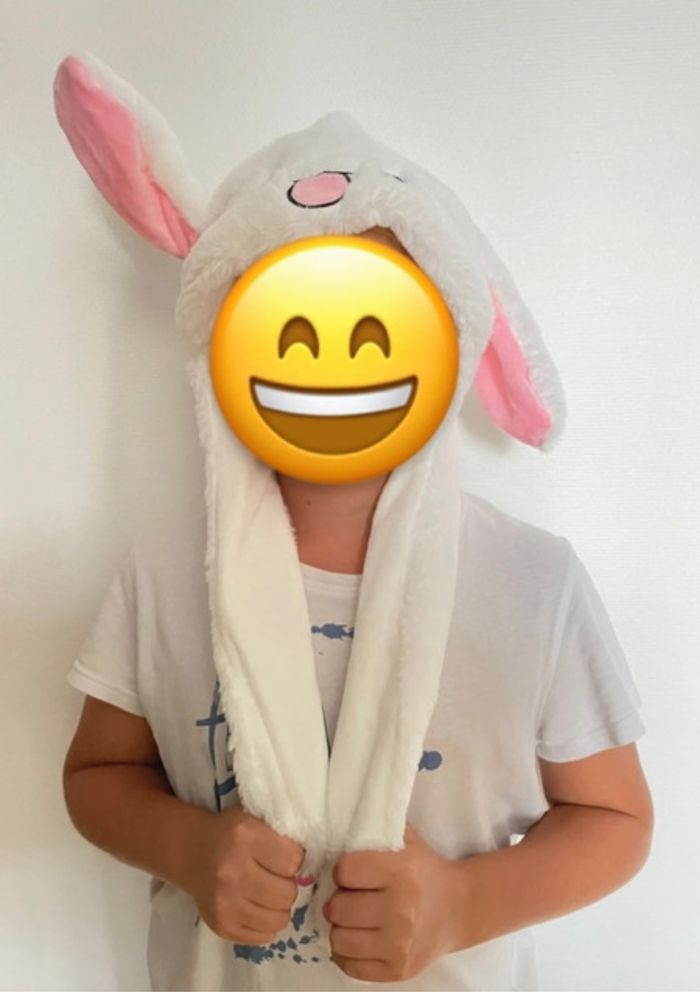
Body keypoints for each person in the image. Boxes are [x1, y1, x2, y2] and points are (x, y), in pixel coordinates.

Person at [56, 55, 653, 991]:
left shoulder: (533, 585)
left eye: (377, 321)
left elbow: (618, 820)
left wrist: (465, 904)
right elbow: (96, 777)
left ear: (448, 337)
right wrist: (188, 847)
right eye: (291, 318)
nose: (332, 354)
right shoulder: (168, 572)